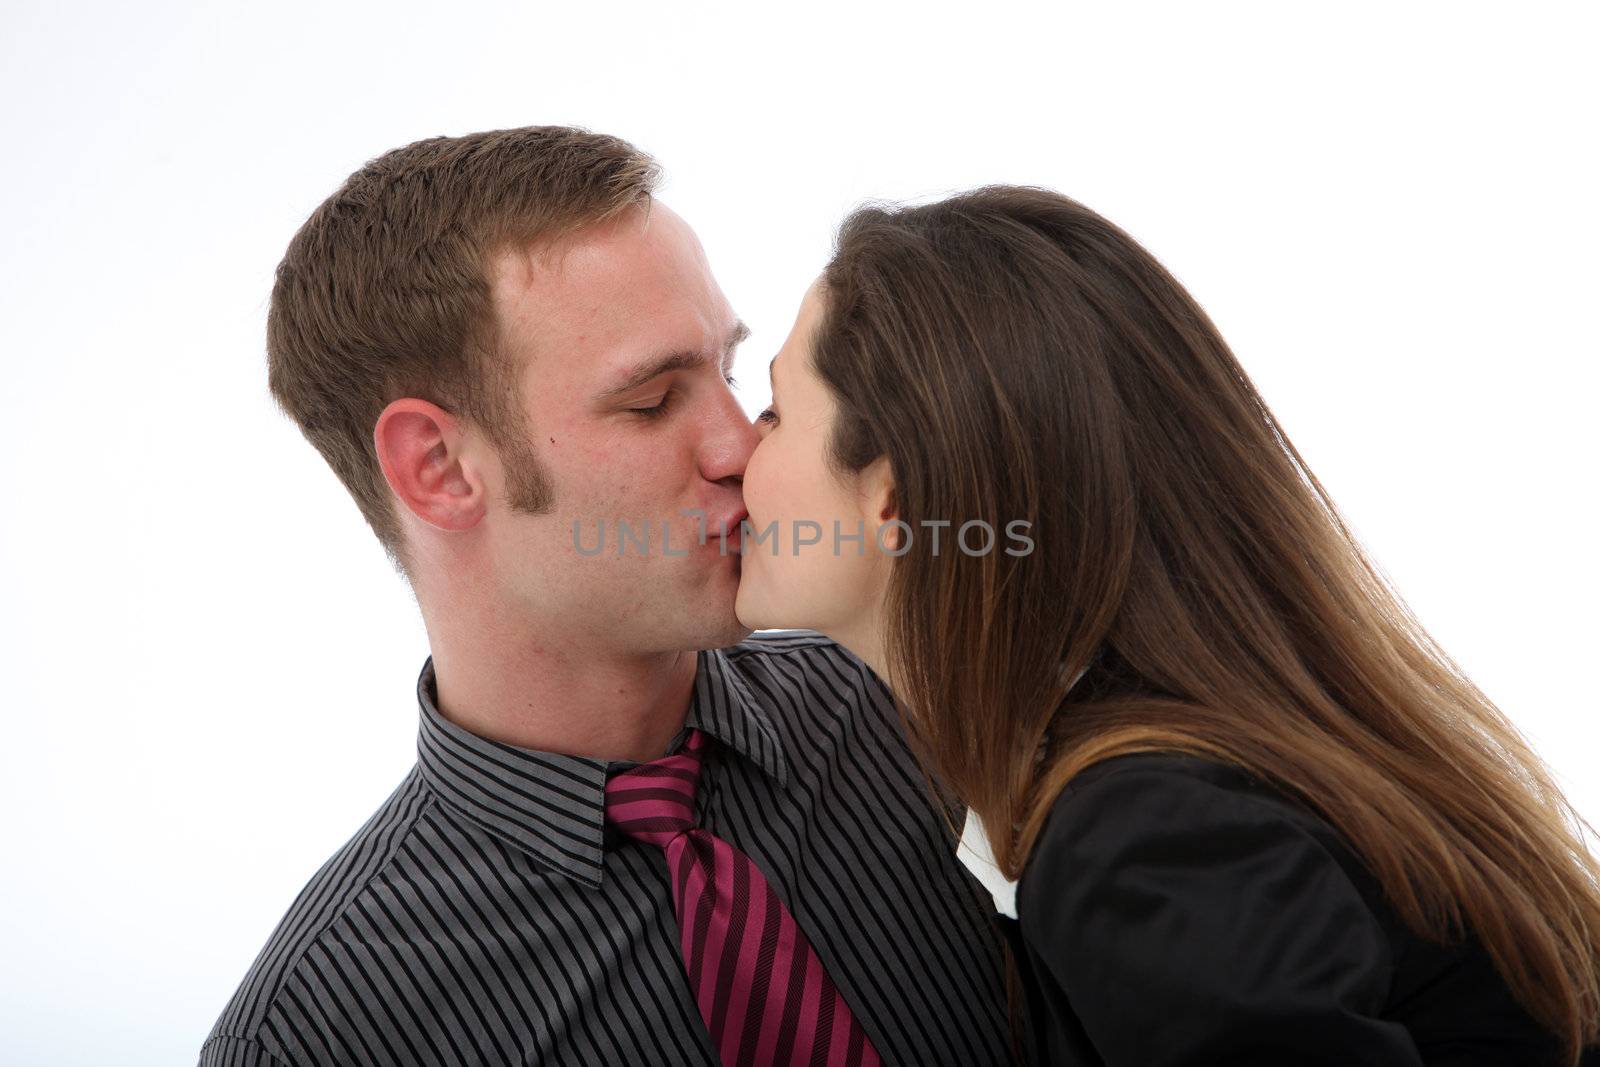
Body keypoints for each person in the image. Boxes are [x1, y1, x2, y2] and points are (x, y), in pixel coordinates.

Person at [198, 128, 1017, 1067]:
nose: (741, 449)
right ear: (438, 469)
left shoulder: (913, 700)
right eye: (652, 402)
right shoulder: (322, 1037)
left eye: (730, 373)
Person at [733, 184, 1600, 1066]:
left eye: (773, 410)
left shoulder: (1138, 842)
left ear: (899, 501)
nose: (735, 451)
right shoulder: (1166, 770)